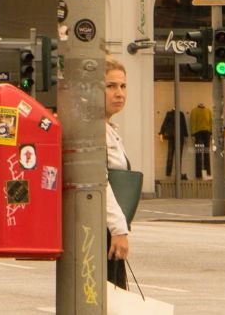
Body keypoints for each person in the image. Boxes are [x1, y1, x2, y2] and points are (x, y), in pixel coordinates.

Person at [105, 56, 133, 290]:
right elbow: (99, 183)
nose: (119, 93)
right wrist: (118, 229)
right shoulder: (93, 131)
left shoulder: (109, 129)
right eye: (111, 86)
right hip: (99, 233)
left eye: (123, 86)